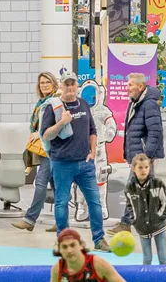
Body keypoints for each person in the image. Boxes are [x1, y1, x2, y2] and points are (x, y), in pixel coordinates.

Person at [40, 75, 110, 252]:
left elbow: (92, 130)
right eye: (66, 84)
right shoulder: (53, 107)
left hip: (85, 164)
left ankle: (99, 239)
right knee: (62, 203)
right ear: (61, 86)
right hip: (62, 163)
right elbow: (46, 135)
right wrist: (62, 122)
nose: (70, 87)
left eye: (73, 84)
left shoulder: (84, 104)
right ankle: (64, 241)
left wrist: (93, 151)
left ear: (77, 86)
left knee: (95, 202)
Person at [112, 72, 163, 233]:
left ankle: (125, 223)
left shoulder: (148, 104)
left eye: (130, 85)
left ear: (140, 87)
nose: (127, 88)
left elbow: (155, 132)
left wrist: (145, 158)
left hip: (142, 158)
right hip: (138, 156)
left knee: (132, 189)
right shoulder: (136, 102)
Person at [15, 72, 59, 233]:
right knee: (56, 186)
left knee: (41, 182)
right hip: (46, 148)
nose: (45, 85)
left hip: (53, 149)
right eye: (42, 83)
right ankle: (61, 222)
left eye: (48, 82)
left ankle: (30, 219)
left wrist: (39, 133)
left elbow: (57, 124)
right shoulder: (42, 102)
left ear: (54, 83)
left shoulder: (55, 101)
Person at [123, 154, 166, 265]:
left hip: (159, 226)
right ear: (133, 169)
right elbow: (130, 206)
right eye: (140, 167)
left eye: (146, 167)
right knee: (147, 258)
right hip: (142, 228)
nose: (144, 170)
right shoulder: (130, 188)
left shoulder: (158, 184)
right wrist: (135, 220)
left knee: (163, 258)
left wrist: (161, 216)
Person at [49, 229, 126, 282]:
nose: (69, 250)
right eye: (64, 247)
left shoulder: (97, 264)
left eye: (73, 245)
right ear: (59, 250)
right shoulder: (58, 269)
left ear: (81, 245)